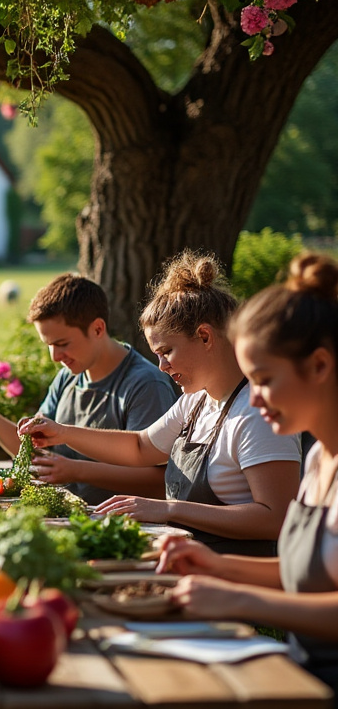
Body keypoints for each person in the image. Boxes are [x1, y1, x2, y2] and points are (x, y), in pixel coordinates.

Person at [19, 251, 302, 555]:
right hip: (189, 563)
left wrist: (170, 509)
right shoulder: (195, 401)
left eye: (166, 351)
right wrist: (62, 433)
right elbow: (141, 447)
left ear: (205, 336)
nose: (162, 366)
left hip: (238, 578)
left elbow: (276, 517)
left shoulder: (258, 413)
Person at [159, 253, 338, 690]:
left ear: (318, 366)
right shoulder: (319, 460)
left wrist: (237, 596)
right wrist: (216, 566)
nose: (254, 400)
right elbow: (303, 575)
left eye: (264, 380)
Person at [0, 273, 177, 504]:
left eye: (62, 344)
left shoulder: (146, 385)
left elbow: (158, 481)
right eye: (49, 345)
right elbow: (34, 453)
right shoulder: (67, 377)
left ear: (98, 329)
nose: (56, 357)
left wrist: (77, 470)